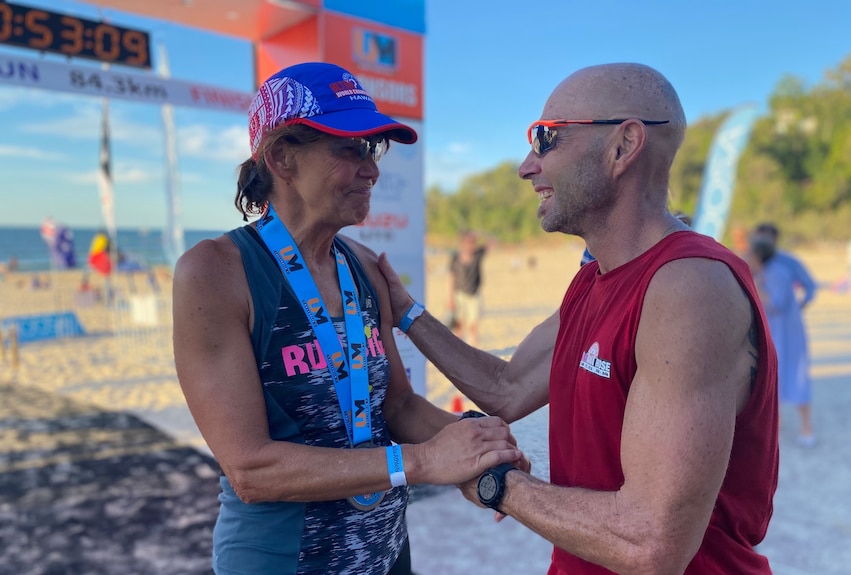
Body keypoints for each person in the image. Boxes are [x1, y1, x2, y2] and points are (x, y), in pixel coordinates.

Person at [379, 62, 779, 574]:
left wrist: (495, 482)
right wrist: (406, 311)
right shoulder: (594, 280)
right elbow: (507, 388)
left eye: (546, 139)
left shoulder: (687, 287)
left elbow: (650, 544)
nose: (527, 166)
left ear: (623, 146)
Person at [172, 62, 524, 575]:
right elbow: (250, 468)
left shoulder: (360, 265)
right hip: (283, 560)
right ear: (281, 157)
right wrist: (423, 462)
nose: (373, 169)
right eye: (349, 148)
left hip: (384, 550)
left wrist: (477, 448)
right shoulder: (215, 272)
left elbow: (398, 404)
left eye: (372, 150)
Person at [747, 222, 817, 446]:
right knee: (770, 375)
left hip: (787, 330)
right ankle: (776, 424)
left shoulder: (783, 267)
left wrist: (800, 306)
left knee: (795, 373)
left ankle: (806, 429)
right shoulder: (759, 267)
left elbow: (786, 298)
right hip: (768, 328)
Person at [449, 230, 488, 345]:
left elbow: (493, 242)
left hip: (475, 294)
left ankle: (473, 347)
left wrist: (480, 234)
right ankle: (458, 349)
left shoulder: (478, 254)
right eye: (469, 241)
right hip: (460, 294)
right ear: (463, 243)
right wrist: (450, 298)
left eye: (473, 242)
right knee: (459, 325)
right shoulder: (456, 258)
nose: (472, 244)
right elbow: (451, 278)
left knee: (473, 324)